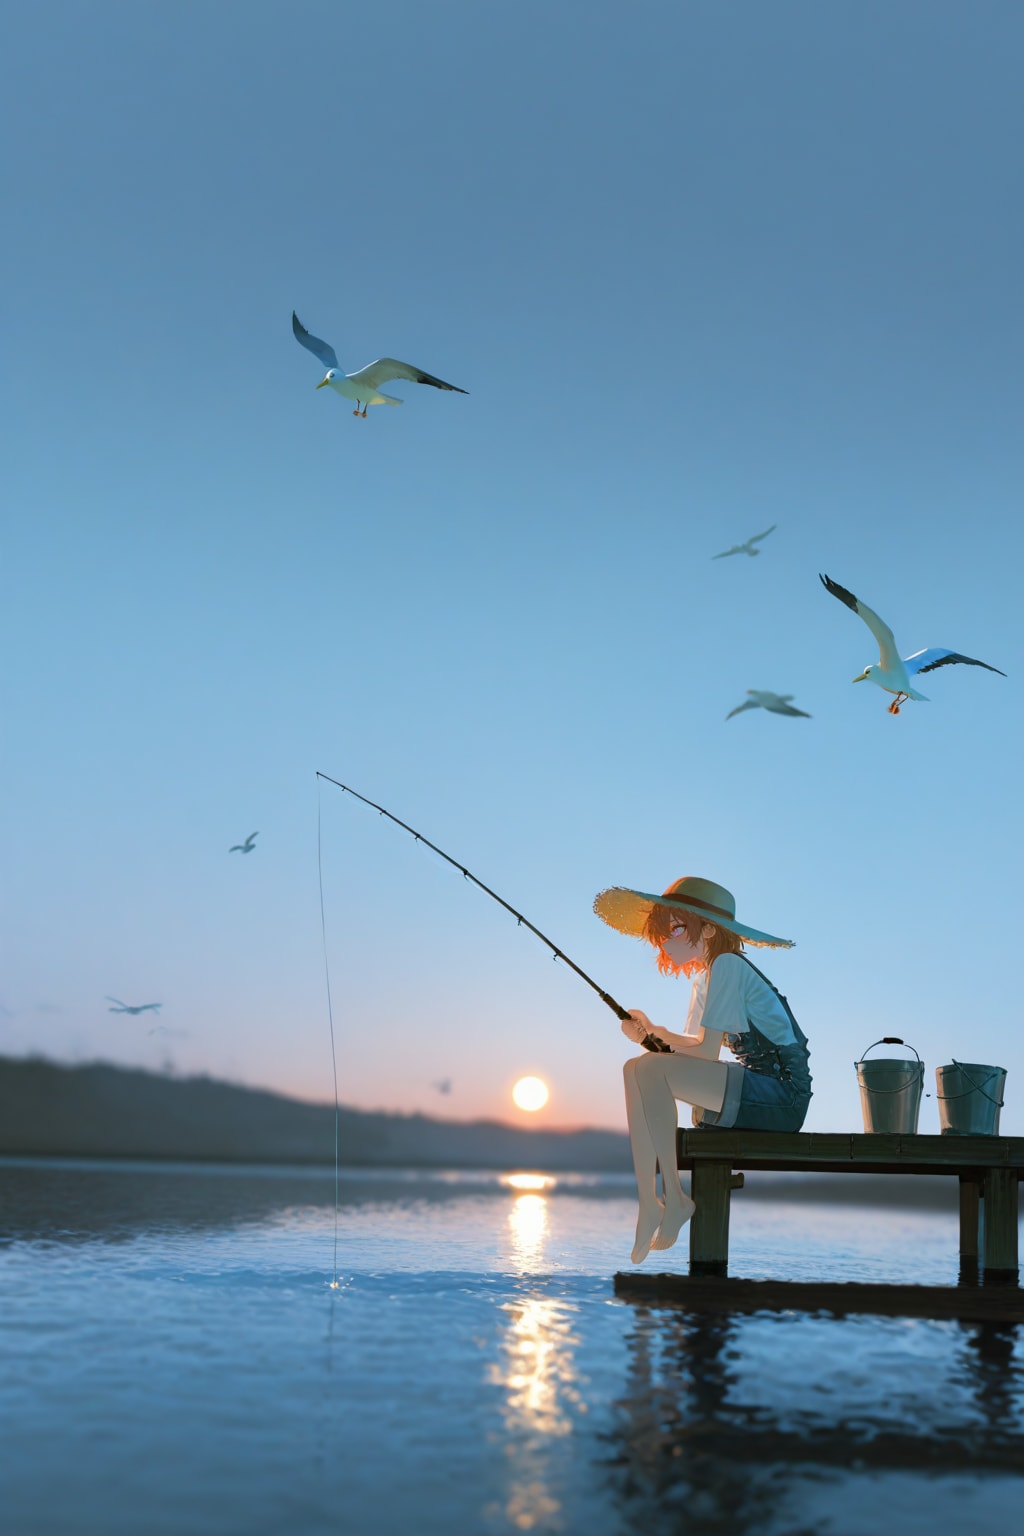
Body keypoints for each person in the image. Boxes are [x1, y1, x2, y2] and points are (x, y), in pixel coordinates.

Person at [593, 876, 811, 1264]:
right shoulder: (705, 978)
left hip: (781, 1096)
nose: (665, 939)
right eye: (663, 930)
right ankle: (650, 1202)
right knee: (635, 1068)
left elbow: (707, 1054)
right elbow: (692, 1046)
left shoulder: (728, 965)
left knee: (651, 1069)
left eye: (675, 927)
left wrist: (657, 1043)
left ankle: (675, 1198)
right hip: (751, 1090)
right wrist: (649, 1035)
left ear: (708, 928)